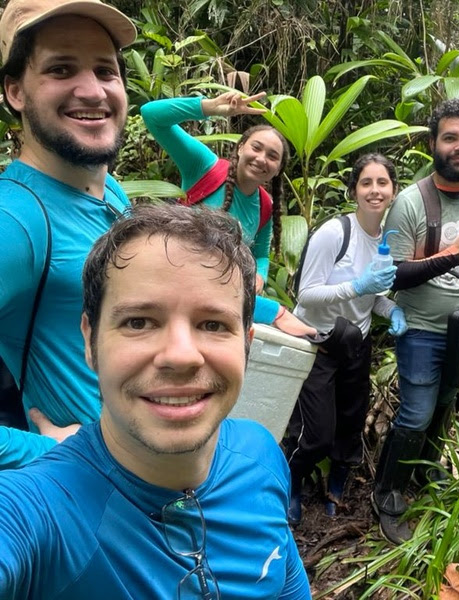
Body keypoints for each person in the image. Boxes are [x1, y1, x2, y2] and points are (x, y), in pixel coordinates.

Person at [0, 203, 312, 599]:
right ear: (90, 341)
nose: (181, 356)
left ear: (246, 347)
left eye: (212, 324)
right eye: (139, 322)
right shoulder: (39, 512)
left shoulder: (261, 454)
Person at [0, 0, 135, 468]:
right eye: (61, 68)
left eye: (105, 70)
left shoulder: (111, 191)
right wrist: (47, 451)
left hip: (147, 480)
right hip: (86, 500)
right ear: (16, 92)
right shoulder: (14, 220)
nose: (92, 91)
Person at [372, 99, 459, 543]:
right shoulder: (411, 203)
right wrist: (453, 256)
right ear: (433, 143)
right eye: (450, 137)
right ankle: (388, 492)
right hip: (421, 329)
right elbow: (395, 273)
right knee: (415, 414)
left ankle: (426, 471)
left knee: (448, 399)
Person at [284, 154, 407, 525]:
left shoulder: (386, 239)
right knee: (315, 433)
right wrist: (356, 285)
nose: (374, 190)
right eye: (366, 183)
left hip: (357, 343)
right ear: (354, 190)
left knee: (350, 424)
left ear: (393, 191)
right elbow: (306, 295)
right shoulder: (336, 233)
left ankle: (337, 484)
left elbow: (370, 298)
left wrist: (391, 311)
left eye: (382, 183)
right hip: (318, 342)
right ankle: (290, 483)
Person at [141, 92, 313, 335]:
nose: (262, 159)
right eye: (256, 147)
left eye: (272, 157)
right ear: (241, 148)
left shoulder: (265, 205)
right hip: (166, 286)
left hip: (208, 309)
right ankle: (276, 313)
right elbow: (151, 115)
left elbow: (260, 254)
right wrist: (210, 107)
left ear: (277, 170)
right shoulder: (204, 166)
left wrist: (259, 277)